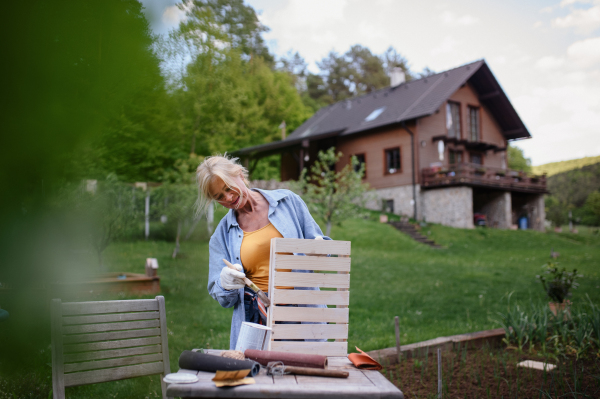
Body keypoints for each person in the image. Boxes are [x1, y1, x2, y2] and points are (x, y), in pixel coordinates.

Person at [196, 155, 329, 350]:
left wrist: (321, 249)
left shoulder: (288, 202)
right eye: (219, 197)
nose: (228, 198)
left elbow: (320, 247)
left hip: (303, 311)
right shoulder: (221, 235)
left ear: (239, 175)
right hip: (257, 317)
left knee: (307, 373)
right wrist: (225, 284)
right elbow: (223, 298)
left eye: (228, 188)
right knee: (259, 378)